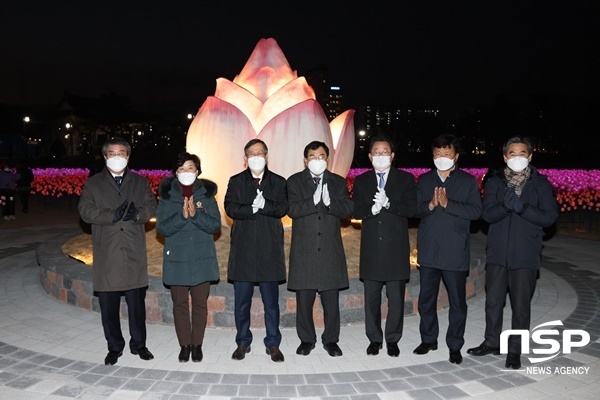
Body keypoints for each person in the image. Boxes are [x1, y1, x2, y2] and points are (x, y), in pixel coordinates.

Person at [467, 136, 560, 370]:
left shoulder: (541, 184)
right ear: (504, 157)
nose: (516, 158)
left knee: (520, 306)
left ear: (529, 156)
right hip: (498, 253)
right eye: (512, 154)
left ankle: (515, 350)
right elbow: (487, 215)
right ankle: (491, 342)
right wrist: (505, 207)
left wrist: (524, 208)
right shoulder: (495, 182)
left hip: (525, 254)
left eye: (521, 154)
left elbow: (550, 218)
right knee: (493, 302)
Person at [78, 137, 157, 366]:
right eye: (112, 153)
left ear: (128, 156)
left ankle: (139, 345)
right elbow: (85, 211)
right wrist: (111, 215)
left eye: (121, 153)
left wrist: (139, 215)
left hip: (133, 252)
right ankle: (114, 347)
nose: (117, 157)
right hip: (108, 253)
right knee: (109, 309)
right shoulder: (92, 184)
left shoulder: (140, 182)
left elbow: (151, 206)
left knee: (136, 307)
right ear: (105, 157)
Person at [412, 134, 482, 365]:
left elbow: (475, 213)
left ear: (456, 156)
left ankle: (455, 345)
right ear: (433, 156)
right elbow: (415, 210)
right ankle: (429, 339)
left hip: (454, 251)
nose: (442, 158)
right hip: (430, 250)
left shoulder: (467, 181)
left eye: (447, 154)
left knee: (457, 303)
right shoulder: (423, 180)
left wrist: (448, 204)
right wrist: (431, 204)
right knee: (426, 300)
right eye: (438, 154)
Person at [287, 141, 354, 357]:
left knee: (331, 303)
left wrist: (330, 203)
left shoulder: (337, 182)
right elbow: (292, 209)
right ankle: (306, 340)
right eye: (313, 156)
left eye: (322, 156)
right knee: (304, 301)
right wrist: (312, 201)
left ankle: (331, 340)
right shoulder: (295, 181)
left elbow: (347, 210)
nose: (317, 160)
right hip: (304, 250)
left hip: (329, 250)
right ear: (305, 160)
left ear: (328, 159)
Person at [352, 135, 417, 357]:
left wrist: (389, 204)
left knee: (396, 299)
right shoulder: (362, 182)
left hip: (396, 249)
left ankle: (392, 339)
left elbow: (411, 209)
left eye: (385, 151)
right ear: (370, 157)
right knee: (371, 300)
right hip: (371, 250)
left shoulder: (405, 179)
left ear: (392, 155)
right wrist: (370, 211)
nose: (381, 155)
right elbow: (355, 210)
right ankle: (374, 339)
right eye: (376, 152)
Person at [224, 138, 288, 362]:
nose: (256, 157)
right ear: (245, 158)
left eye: (260, 153)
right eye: (251, 153)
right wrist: (252, 208)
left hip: (269, 252)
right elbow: (230, 207)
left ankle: (273, 343)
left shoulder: (279, 182)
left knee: (271, 303)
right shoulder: (236, 181)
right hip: (243, 252)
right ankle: (243, 342)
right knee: (241, 303)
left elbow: (282, 208)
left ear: (267, 156)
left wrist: (266, 205)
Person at [156, 152, 221, 363]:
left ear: (198, 171)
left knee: (200, 304)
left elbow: (214, 226)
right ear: (175, 173)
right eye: (181, 169)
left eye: (190, 168)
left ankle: (197, 344)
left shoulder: (206, 195)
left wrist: (196, 215)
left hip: (202, 258)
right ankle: (185, 345)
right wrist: (182, 217)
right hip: (177, 259)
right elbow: (162, 228)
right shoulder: (167, 196)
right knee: (180, 304)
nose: (186, 172)